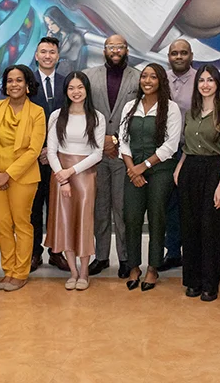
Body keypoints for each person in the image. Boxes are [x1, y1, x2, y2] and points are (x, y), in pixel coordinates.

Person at [174, 65, 220, 301]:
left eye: (210, 80)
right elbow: (186, 146)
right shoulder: (191, 113)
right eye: (201, 80)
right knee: (190, 227)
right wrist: (180, 166)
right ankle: (192, 281)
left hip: (214, 170)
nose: (205, 84)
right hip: (190, 169)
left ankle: (210, 284)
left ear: (217, 84)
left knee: (210, 229)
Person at [0, 64, 46, 292]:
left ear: (28, 85)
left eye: (19, 80)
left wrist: (8, 174)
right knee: (2, 223)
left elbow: (34, 150)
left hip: (23, 177)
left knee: (22, 224)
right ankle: (8, 270)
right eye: (10, 81)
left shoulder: (37, 112)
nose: (14, 85)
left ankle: (21, 272)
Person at [119, 63, 182, 292]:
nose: (147, 80)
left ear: (161, 81)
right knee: (132, 217)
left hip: (160, 170)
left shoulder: (171, 108)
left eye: (152, 77)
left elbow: (171, 145)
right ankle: (134, 266)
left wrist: (143, 166)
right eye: (144, 76)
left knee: (157, 217)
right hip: (132, 169)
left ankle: (153, 267)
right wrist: (132, 169)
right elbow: (123, 141)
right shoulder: (129, 106)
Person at [83, 35, 140, 278]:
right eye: (111, 47)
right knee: (100, 208)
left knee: (122, 208)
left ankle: (126, 258)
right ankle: (102, 256)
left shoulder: (138, 77)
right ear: (104, 50)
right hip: (95, 153)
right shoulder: (88, 76)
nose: (115, 51)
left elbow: (140, 113)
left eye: (120, 47)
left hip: (124, 154)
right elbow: (83, 111)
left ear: (127, 50)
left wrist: (115, 138)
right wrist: (102, 139)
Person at [45, 72, 105, 290]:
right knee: (65, 223)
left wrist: (71, 171)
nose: (76, 92)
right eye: (71, 88)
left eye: (80, 87)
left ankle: (84, 273)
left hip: (85, 175)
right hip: (60, 175)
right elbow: (51, 151)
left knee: (83, 223)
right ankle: (72, 272)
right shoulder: (56, 116)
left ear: (87, 90)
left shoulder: (96, 117)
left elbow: (97, 154)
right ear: (66, 91)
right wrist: (62, 176)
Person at [30, 37, 69, 272]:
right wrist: (40, 150)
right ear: (36, 55)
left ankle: (56, 251)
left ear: (57, 56)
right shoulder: (26, 82)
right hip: (32, 158)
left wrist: (52, 149)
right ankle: (35, 253)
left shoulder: (68, 83)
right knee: (34, 207)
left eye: (51, 52)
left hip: (61, 157)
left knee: (58, 207)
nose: (47, 56)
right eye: (43, 52)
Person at [159, 39, 195, 272]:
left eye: (183, 53)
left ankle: (193, 252)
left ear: (191, 55)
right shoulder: (161, 81)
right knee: (168, 204)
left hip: (193, 151)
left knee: (191, 205)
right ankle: (172, 252)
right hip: (165, 152)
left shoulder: (202, 79)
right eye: (174, 53)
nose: (179, 57)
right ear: (169, 56)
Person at [44, 6, 83, 72]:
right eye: (48, 24)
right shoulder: (55, 37)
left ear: (59, 20)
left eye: (52, 23)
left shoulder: (75, 37)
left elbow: (72, 57)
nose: (50, 27)